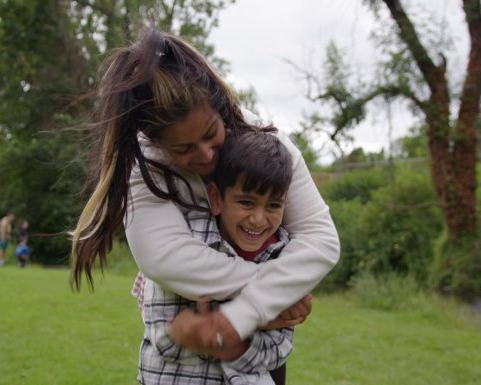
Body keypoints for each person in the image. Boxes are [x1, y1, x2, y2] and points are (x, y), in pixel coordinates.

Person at [69, 29, 339, 380]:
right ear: (153, 141)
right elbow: (167, 259)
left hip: (258, 365)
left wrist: (249, 310)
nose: (206, 154)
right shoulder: (146, 167)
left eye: (211, 133)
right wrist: (277, 293)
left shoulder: (269, 146)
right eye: (183, 149)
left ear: (221, 106)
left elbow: (321, 240)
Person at [133, 129, 296, 384]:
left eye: (273, 205)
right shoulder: (186, 244)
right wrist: (249, 323)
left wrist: (223, 339)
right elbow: (164, 337)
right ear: (216, 199)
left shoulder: (283, 257)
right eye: (246, 202)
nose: (258, 218)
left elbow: (280, 347)